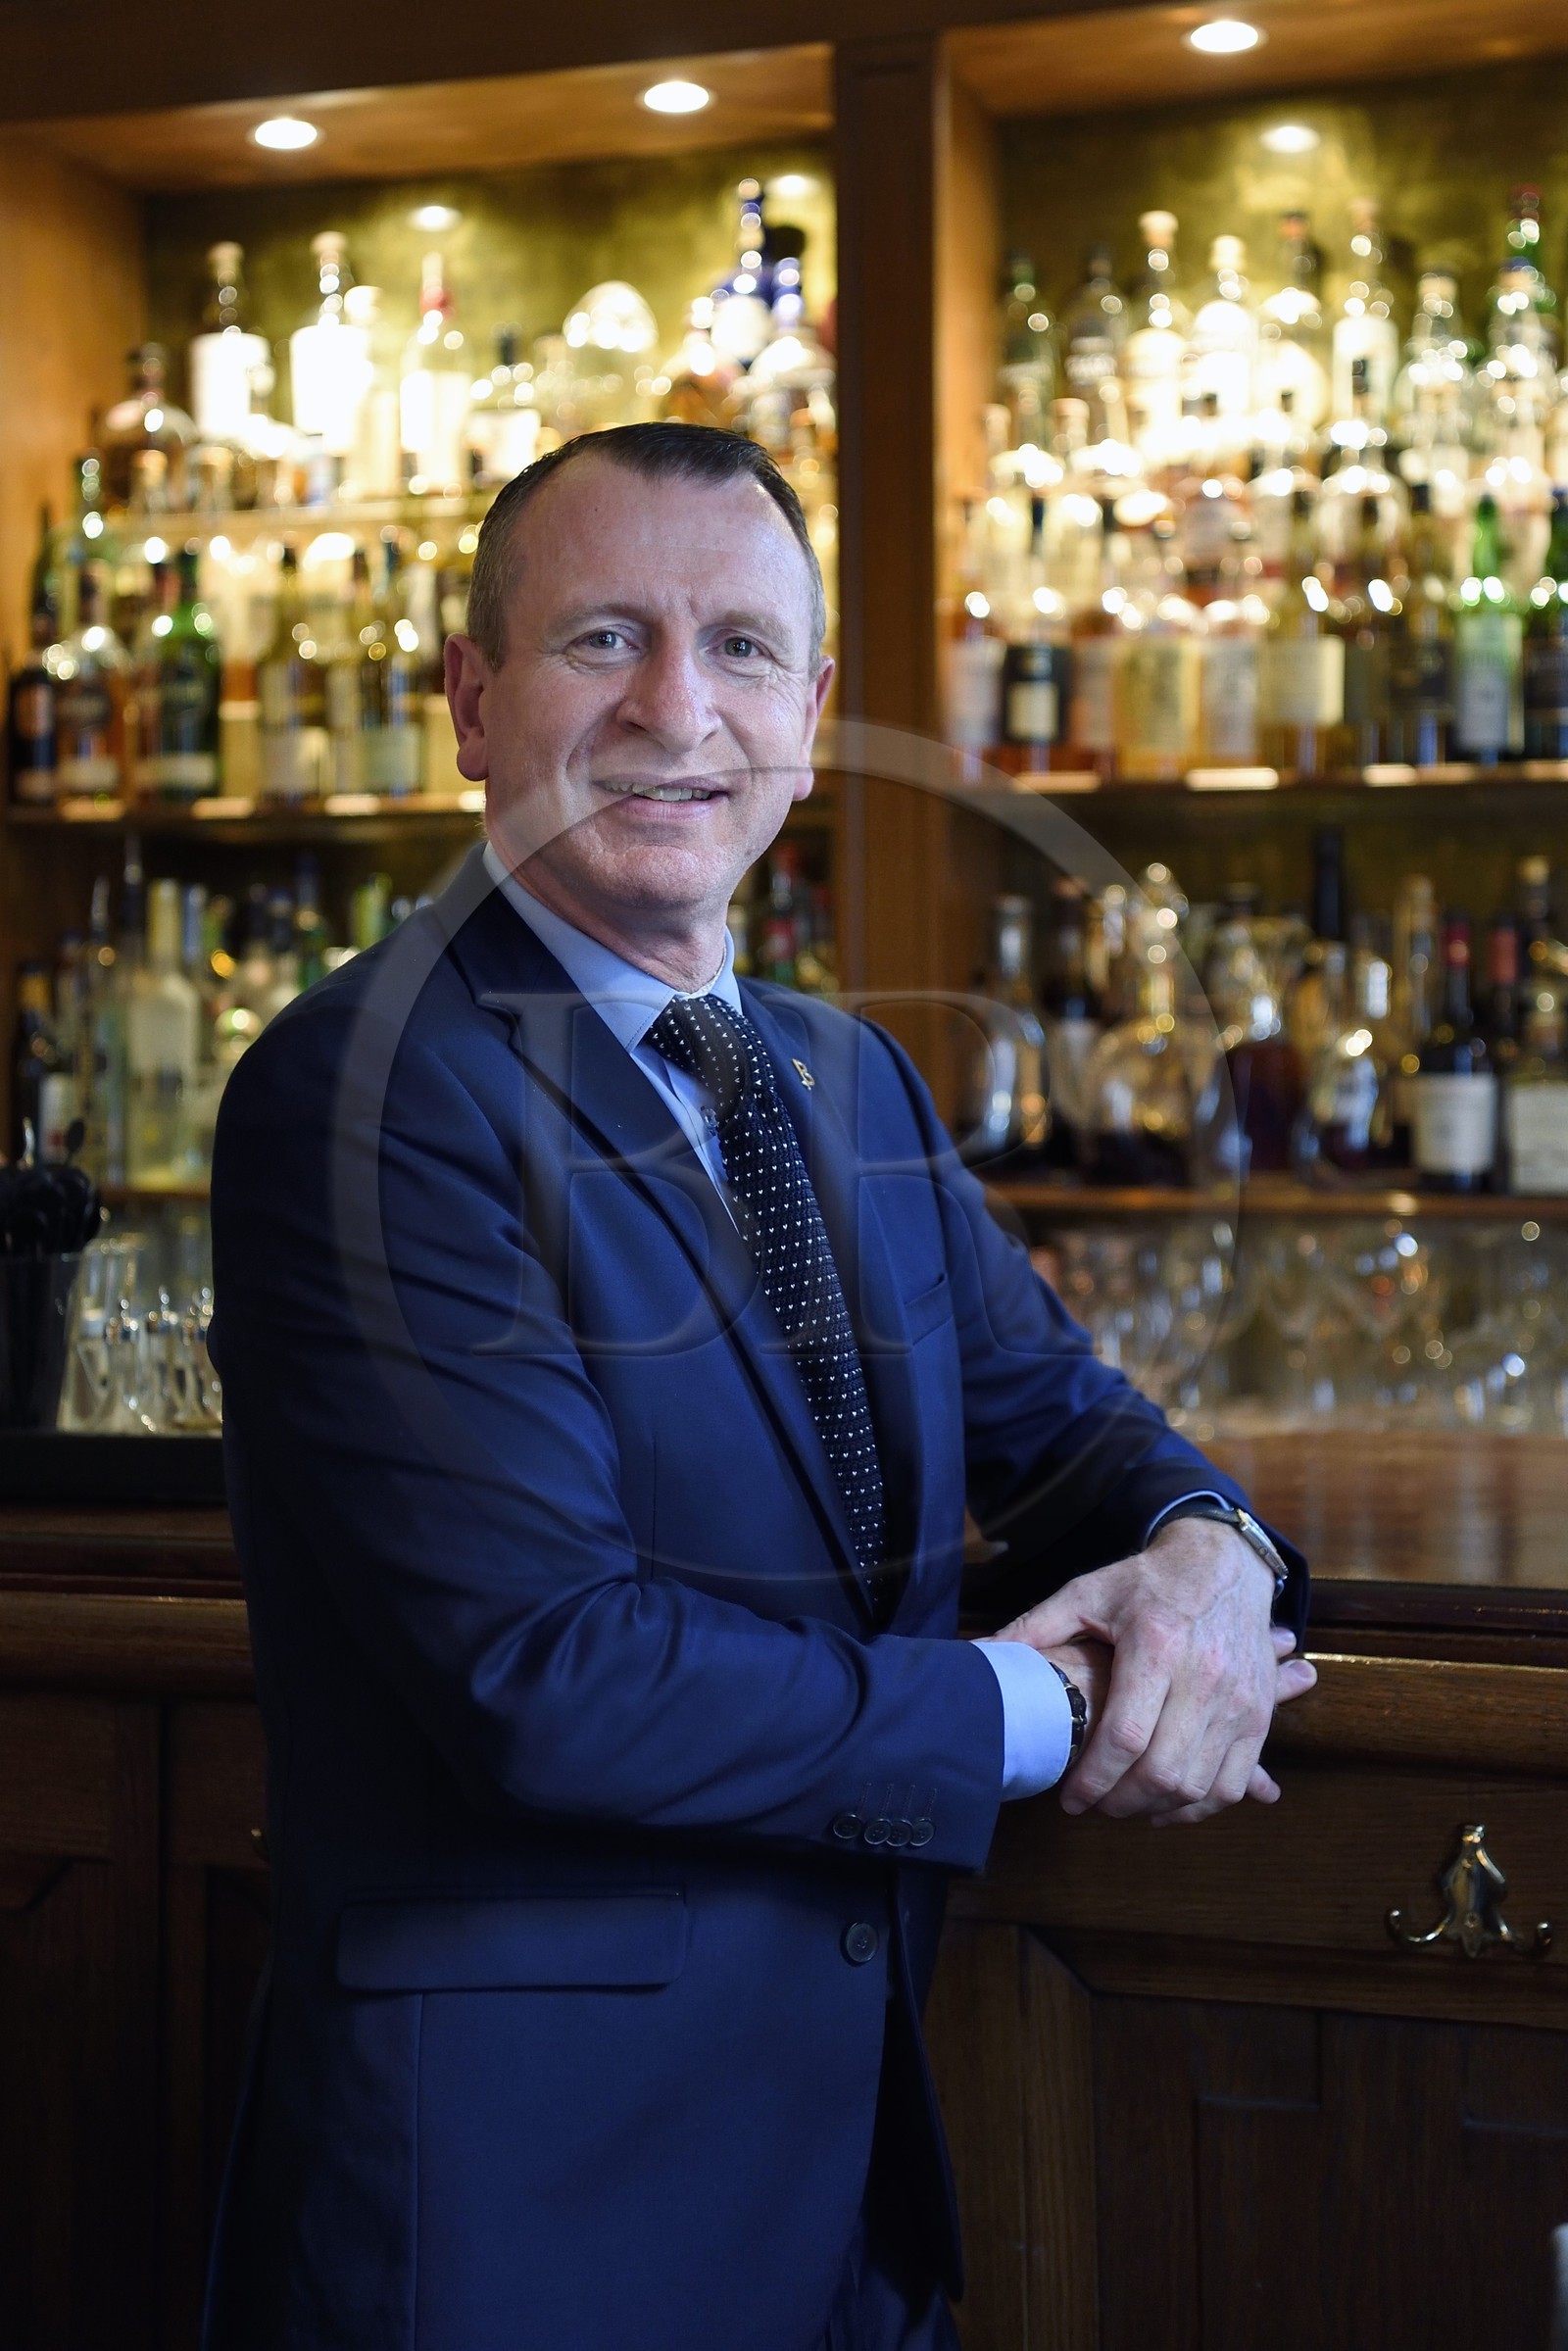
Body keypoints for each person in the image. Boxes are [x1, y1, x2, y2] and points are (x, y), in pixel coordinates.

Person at [206, 423, 1313, 2351]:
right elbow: (550, 1682)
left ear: (808, 713)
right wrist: (1047, 1712)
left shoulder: (835, 1074)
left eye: (734, 650)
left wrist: (1209, 1557)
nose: (670, 708)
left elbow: (1071, 1436)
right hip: (516, 2215)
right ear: (470, 701)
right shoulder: (364, 1087)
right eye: (600, 641)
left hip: (843, 2174)